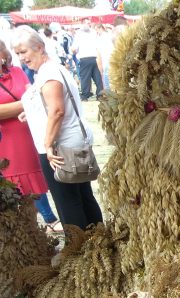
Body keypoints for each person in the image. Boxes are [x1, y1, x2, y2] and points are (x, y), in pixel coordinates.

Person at [12, 26, 103, 231]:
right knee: (82, 196)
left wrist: (48, 145)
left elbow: (57, 111)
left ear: (39, 47)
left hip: (59, 147)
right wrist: (32, 112)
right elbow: (52, 106)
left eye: (24, 51)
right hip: (69, 142)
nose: (21, 58)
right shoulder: (52, 69)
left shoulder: (49, 74)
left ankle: (79, 246)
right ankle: (99, 240)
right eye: (17, 53)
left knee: (68, 201)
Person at [0, 41, 59, 231]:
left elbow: (35, 94)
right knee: (15, 185)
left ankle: (45, 222)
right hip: (7, 140)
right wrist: (27, 102)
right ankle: (32, 227)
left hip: (29, 133)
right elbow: (33, 97)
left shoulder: (17, 71)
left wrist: (31, 100)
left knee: (34, 180)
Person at [71, 19, 104, 100]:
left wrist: (73, 52)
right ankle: (100, 94)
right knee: (97, 77)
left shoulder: (79, 34)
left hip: (84, 58)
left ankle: (85, 94)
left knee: (85, 78)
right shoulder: (93, 33)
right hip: (94, 57)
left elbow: (74, 48)